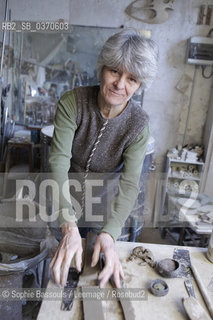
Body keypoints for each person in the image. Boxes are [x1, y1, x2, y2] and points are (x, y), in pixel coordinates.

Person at [49, 28, 159, 288]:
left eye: (132, 79)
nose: (120, 84)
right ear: (102, 69)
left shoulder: (139, 125)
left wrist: (110, 232)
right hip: (65, 198)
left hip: (106, 209)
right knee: (63, 273)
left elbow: (130, 184)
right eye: (115, 71)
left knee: (95, 278)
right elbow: (58, 163)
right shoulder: (72, 103)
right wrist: (67, 224)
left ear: (140, 85)